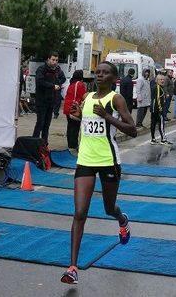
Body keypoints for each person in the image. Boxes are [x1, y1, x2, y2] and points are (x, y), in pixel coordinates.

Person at [61, 61, 137, 285]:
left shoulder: (116, 99)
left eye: (105, 73)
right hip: (85, 160)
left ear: (114, 79)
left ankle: (122, 218)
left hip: (108, 161)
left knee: (108, 208)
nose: (100, 75)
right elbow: (87, 123)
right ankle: (72, 268)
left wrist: (107, 115)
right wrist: (77, 115)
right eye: (97, 72)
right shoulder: (87, 97)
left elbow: (132, 130)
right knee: (79, 212)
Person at [33, 52, 66, 143]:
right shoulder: (42, 69)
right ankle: (34, 143)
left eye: (56, 60)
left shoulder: (58, 70)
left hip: (51, 100)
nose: (55, 62)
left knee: (47, 125)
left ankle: (44, 144)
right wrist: (52, 86)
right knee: (40, 123)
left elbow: (63, 78)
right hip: (41, 100)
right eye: (53, 60)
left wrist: (58, 84)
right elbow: (40, 82)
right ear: (48, 59)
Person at [63, 70, 86, 150]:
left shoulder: (71, 83)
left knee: (70, 126)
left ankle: (70, 144)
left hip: (67, 107)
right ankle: (73, 144)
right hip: (74, 108)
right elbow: (83, 96)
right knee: (75, 127)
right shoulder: (80, 84)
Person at [150, 74, 171, 144]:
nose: (162, 81)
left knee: (153, 123)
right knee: (161, 124)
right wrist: (160, 109)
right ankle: (163, 139)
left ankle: (153, 139)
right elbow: (158, 99)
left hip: (153, 109)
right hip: (157, 109)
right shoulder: (158, 87)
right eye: (161, 79)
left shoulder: (157, 87)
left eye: (163, 79)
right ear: (157, 80)